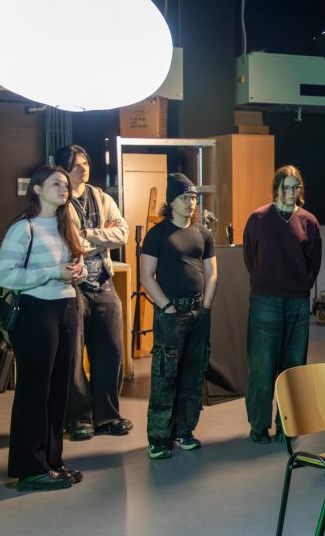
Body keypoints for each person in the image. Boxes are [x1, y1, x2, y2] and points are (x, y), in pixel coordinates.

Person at [0, 165, 87, 490]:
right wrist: (52, 272)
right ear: (36, 189)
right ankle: (30, 468)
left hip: (66, 308)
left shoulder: (65, 226)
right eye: (56, 184)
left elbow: (74, 266)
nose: (64, 189)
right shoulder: (24, 228)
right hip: (36, 312)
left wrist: (77, 273)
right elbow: (5, 275)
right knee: (35, 390)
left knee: (60, 389)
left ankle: (52, 461)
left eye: (65, 185)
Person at [54, 144, 133, 442]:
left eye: (85, 163)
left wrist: (88, 235)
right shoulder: (60, 202)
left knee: (112, 351)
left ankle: (108, 415)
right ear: (64, 168)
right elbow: (69, 244)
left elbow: (122, 233)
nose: (83, 169)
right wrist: (100, 237)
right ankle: (78, 418)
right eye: (76, 165)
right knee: (74, 355)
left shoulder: (101, 197)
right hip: (73, 287)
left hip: (104, 282)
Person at [139, 173, 218, 460]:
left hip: (198, 312)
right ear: (171, 201)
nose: (190, 203)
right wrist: (167, 307)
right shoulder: (157, 234)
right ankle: (158, 439)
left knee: (193, 374)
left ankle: (184, 430)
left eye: (193, 198)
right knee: (165, 375)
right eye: (184, 197)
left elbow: (211, 273)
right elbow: (146, 276)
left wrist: (205, 307)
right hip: (171, 313)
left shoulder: (203, 233)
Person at [242, 165, 321, 444]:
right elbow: (250, 257)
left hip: (297, 302)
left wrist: (301, 284)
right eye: (286, 187)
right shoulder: (258, 218)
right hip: (265, 300)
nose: (291, 192)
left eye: (295, 187)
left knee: (293, 367)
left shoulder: (308, 221)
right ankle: (259, 426)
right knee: (262, 366)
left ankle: (288, 425)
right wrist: (267, 282)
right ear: (276, 189)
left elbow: (314, 261)